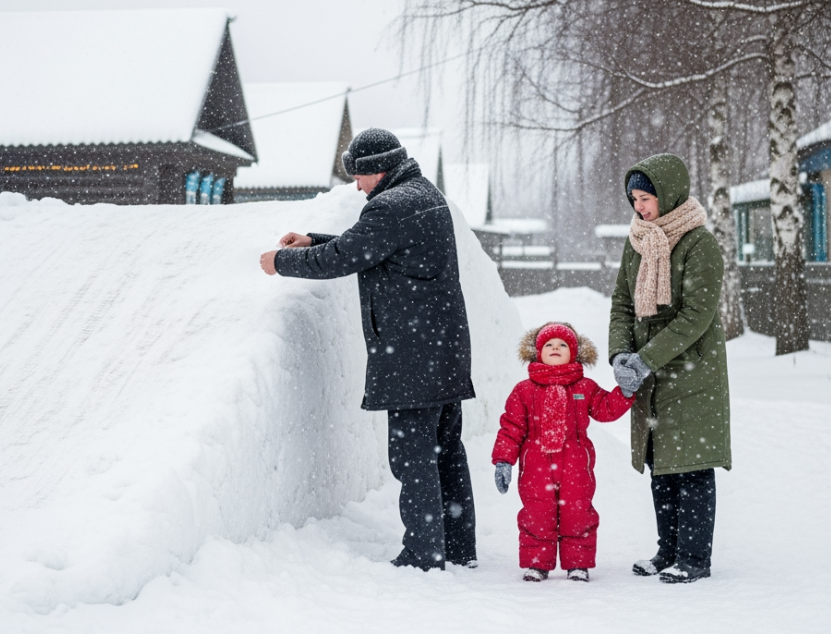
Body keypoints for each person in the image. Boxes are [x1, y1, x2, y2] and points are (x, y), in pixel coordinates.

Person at [258, 128, 477, 571]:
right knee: (445, 449)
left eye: (359, 176)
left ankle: (423, 554)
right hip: (443, 349)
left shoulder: (392, 206)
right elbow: (368, 247)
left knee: (414, 458)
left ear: (378, 169)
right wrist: (314, 239)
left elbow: (344, 257)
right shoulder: (422, 195)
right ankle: (456, 546)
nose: (356, 186)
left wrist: (281, 262)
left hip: (414, 356)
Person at [608, 153, 732, 585]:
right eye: (634, 199)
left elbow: (695, 317)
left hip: (691, 372)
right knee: (660, 465)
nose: (640, 207)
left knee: (692, 465)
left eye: (647, 197)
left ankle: (695, 558)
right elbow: (623, 303)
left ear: (669, 192)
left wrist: (646, 358)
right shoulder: (637, 241)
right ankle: (669, 551)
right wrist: (620, 354)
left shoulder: (700, 244)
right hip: (650, 373)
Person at [492, 322, 633, 583]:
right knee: (537, 513)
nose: (555, 348)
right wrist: (503, 460)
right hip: (535, 465)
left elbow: (605, 409)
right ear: (538, 353)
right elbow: (511, 427)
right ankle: (537, 563)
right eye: (549, 344)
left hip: (576, 464)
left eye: (563, 345)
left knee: (578, 512)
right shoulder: (524, 390)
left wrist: (625, 391)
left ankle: (578, 564)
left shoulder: (584, 386)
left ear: (574, 353)